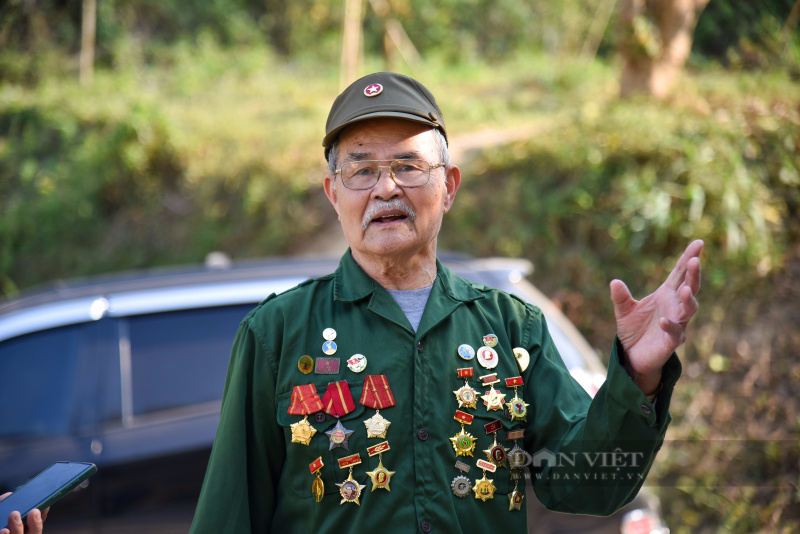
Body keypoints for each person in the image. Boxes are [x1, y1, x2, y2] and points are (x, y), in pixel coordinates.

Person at [189, 72, 703, 533]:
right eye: (361, 171)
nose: (386, 188)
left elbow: (588, 487)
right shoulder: (277, 333)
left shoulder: (511, 329)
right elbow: (229, 515)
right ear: (332, 193)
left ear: (449, 185)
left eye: (409, 166)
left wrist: (638, 374)